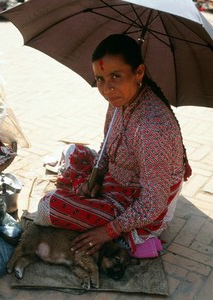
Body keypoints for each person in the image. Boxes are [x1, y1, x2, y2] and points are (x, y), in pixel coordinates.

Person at [34, 34, 192, 258]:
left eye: (116, 76)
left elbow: (153, 204)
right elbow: (107, 143)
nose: (107, 89)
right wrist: (97, 176)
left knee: (47, 208)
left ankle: (132, 236)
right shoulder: (121, 100)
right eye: (100, 79)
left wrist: (107, 232)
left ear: (139, 73)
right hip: (117, 179)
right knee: (73, 152)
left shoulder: (152, 127)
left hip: (140, 201)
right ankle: (96, 199)